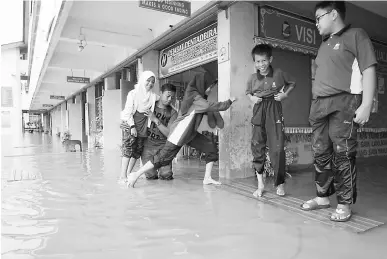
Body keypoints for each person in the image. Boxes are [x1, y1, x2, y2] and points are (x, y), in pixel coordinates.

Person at [301, 1, 377, 222]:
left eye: (318, 18)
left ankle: (344, 204)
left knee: (343, 153)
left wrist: (366, 104)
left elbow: (369, 68)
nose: (316, 23)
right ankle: (323, 197)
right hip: (319, 105)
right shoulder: (324, 44)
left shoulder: (356, 35)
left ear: (333, 14)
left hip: (344, 102)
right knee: (320, 152)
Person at [127, 72, 236, 188]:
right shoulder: (196, 97)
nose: (210, 90)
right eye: (209, 87)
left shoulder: (197, 97)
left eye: (211, 88)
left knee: (210, 147)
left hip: (190, 134)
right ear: (202, 84)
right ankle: (136, 174)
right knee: (162, 159)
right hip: (178, 134)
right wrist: (229, 102)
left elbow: (199, 111)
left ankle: (207, 178)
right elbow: (208, 106)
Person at [246, 44, 296, 197]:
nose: (261, 64)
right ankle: (260, 185)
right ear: (254, 63)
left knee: (278, 148)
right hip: (259, 109)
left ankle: (279, 184)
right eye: (257, 62)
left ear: (270, 59)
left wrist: (284, 95)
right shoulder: (252, 77)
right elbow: (248, 92)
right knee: (257, 145)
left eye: (263, 61)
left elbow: (292, 83)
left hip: (274, 108)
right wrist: (252, 98)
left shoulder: (279, 73)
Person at [119, 71, 159, 183]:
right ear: (142, 80)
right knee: (128, 150)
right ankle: (122, 177)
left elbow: (163, 100)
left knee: (136, 152)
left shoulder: (152, 96)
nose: (150, 84)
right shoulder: (133, 94)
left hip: (143, 128)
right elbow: (127, 113)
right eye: (148, 80)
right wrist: (132, 126)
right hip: (130, 125)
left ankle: (128, 175)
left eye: (152, 82)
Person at [142, 83, 178, 180]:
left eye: (172, 97)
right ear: (161, 93)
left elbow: (169, 134)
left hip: (164, 148)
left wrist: (155, 119)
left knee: (166, 176)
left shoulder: (173, 113)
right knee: (150, 176)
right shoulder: (150, 105)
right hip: (147, 147)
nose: (170, 99)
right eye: (168, 96)